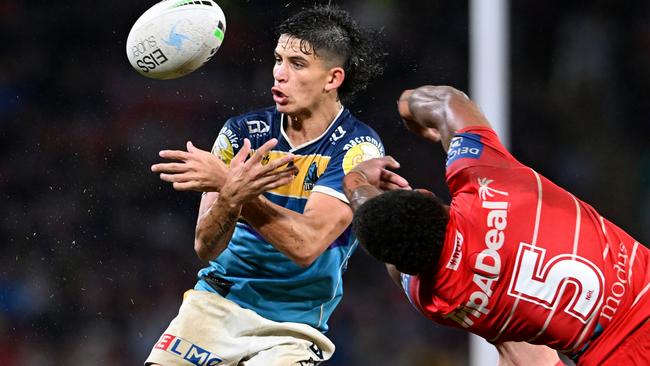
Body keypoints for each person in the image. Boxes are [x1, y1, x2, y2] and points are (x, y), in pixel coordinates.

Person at [144, 5, 398, 366]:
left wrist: (233, 188)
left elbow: (307, 245)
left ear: (332, 78)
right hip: (216, 304)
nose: (279, 74)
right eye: (278, 60)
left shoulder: (356, 149)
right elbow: (206, 246)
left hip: (294, 325)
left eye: (296, 64)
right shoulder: (240, 133)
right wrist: (230, 193)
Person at [343, 85, 650, 365]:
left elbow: (394, 256)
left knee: (516, 348)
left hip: (610, 358)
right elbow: (448, 101)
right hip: (644, 291)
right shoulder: (486, 180)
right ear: (425, 194)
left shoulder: (440, 299)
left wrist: (354, 185)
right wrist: (407, 106)